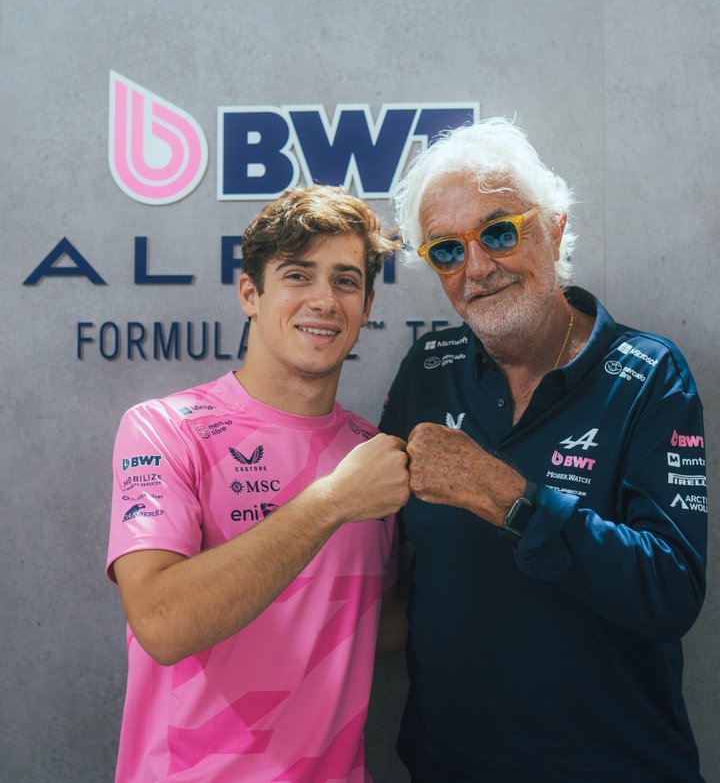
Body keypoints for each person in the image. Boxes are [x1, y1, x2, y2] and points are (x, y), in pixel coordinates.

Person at [380, 118, 707, 783]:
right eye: (447, 250)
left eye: (499, 233)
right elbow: (378, 562)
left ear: (554, 230)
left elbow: (671, 591)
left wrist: (508, 497)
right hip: (449, 766)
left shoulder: (649, 373)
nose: (477, 267)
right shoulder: (427, 368)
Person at [106, 185, 410, 783]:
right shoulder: (165, 429)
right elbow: (162, 622)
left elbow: (378, 624)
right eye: (298, 275)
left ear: (367, 305)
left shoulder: (375, 455)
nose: (324, 300)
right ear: (250, 293)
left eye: (346, 281)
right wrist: (331, 501)